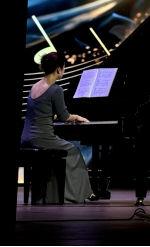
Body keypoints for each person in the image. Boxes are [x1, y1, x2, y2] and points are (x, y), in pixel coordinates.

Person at [20, 51, 98, 204]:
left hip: (26, 138)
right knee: (74, 151)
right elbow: (65, 117)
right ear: (58, 69)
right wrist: (77, 117)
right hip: (42, 138)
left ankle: (52, 195)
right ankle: (76, 195)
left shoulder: (34, 86)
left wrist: (51, 114)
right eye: (64, 67)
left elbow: (38, 110)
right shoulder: (56, 89)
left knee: (62, 153)